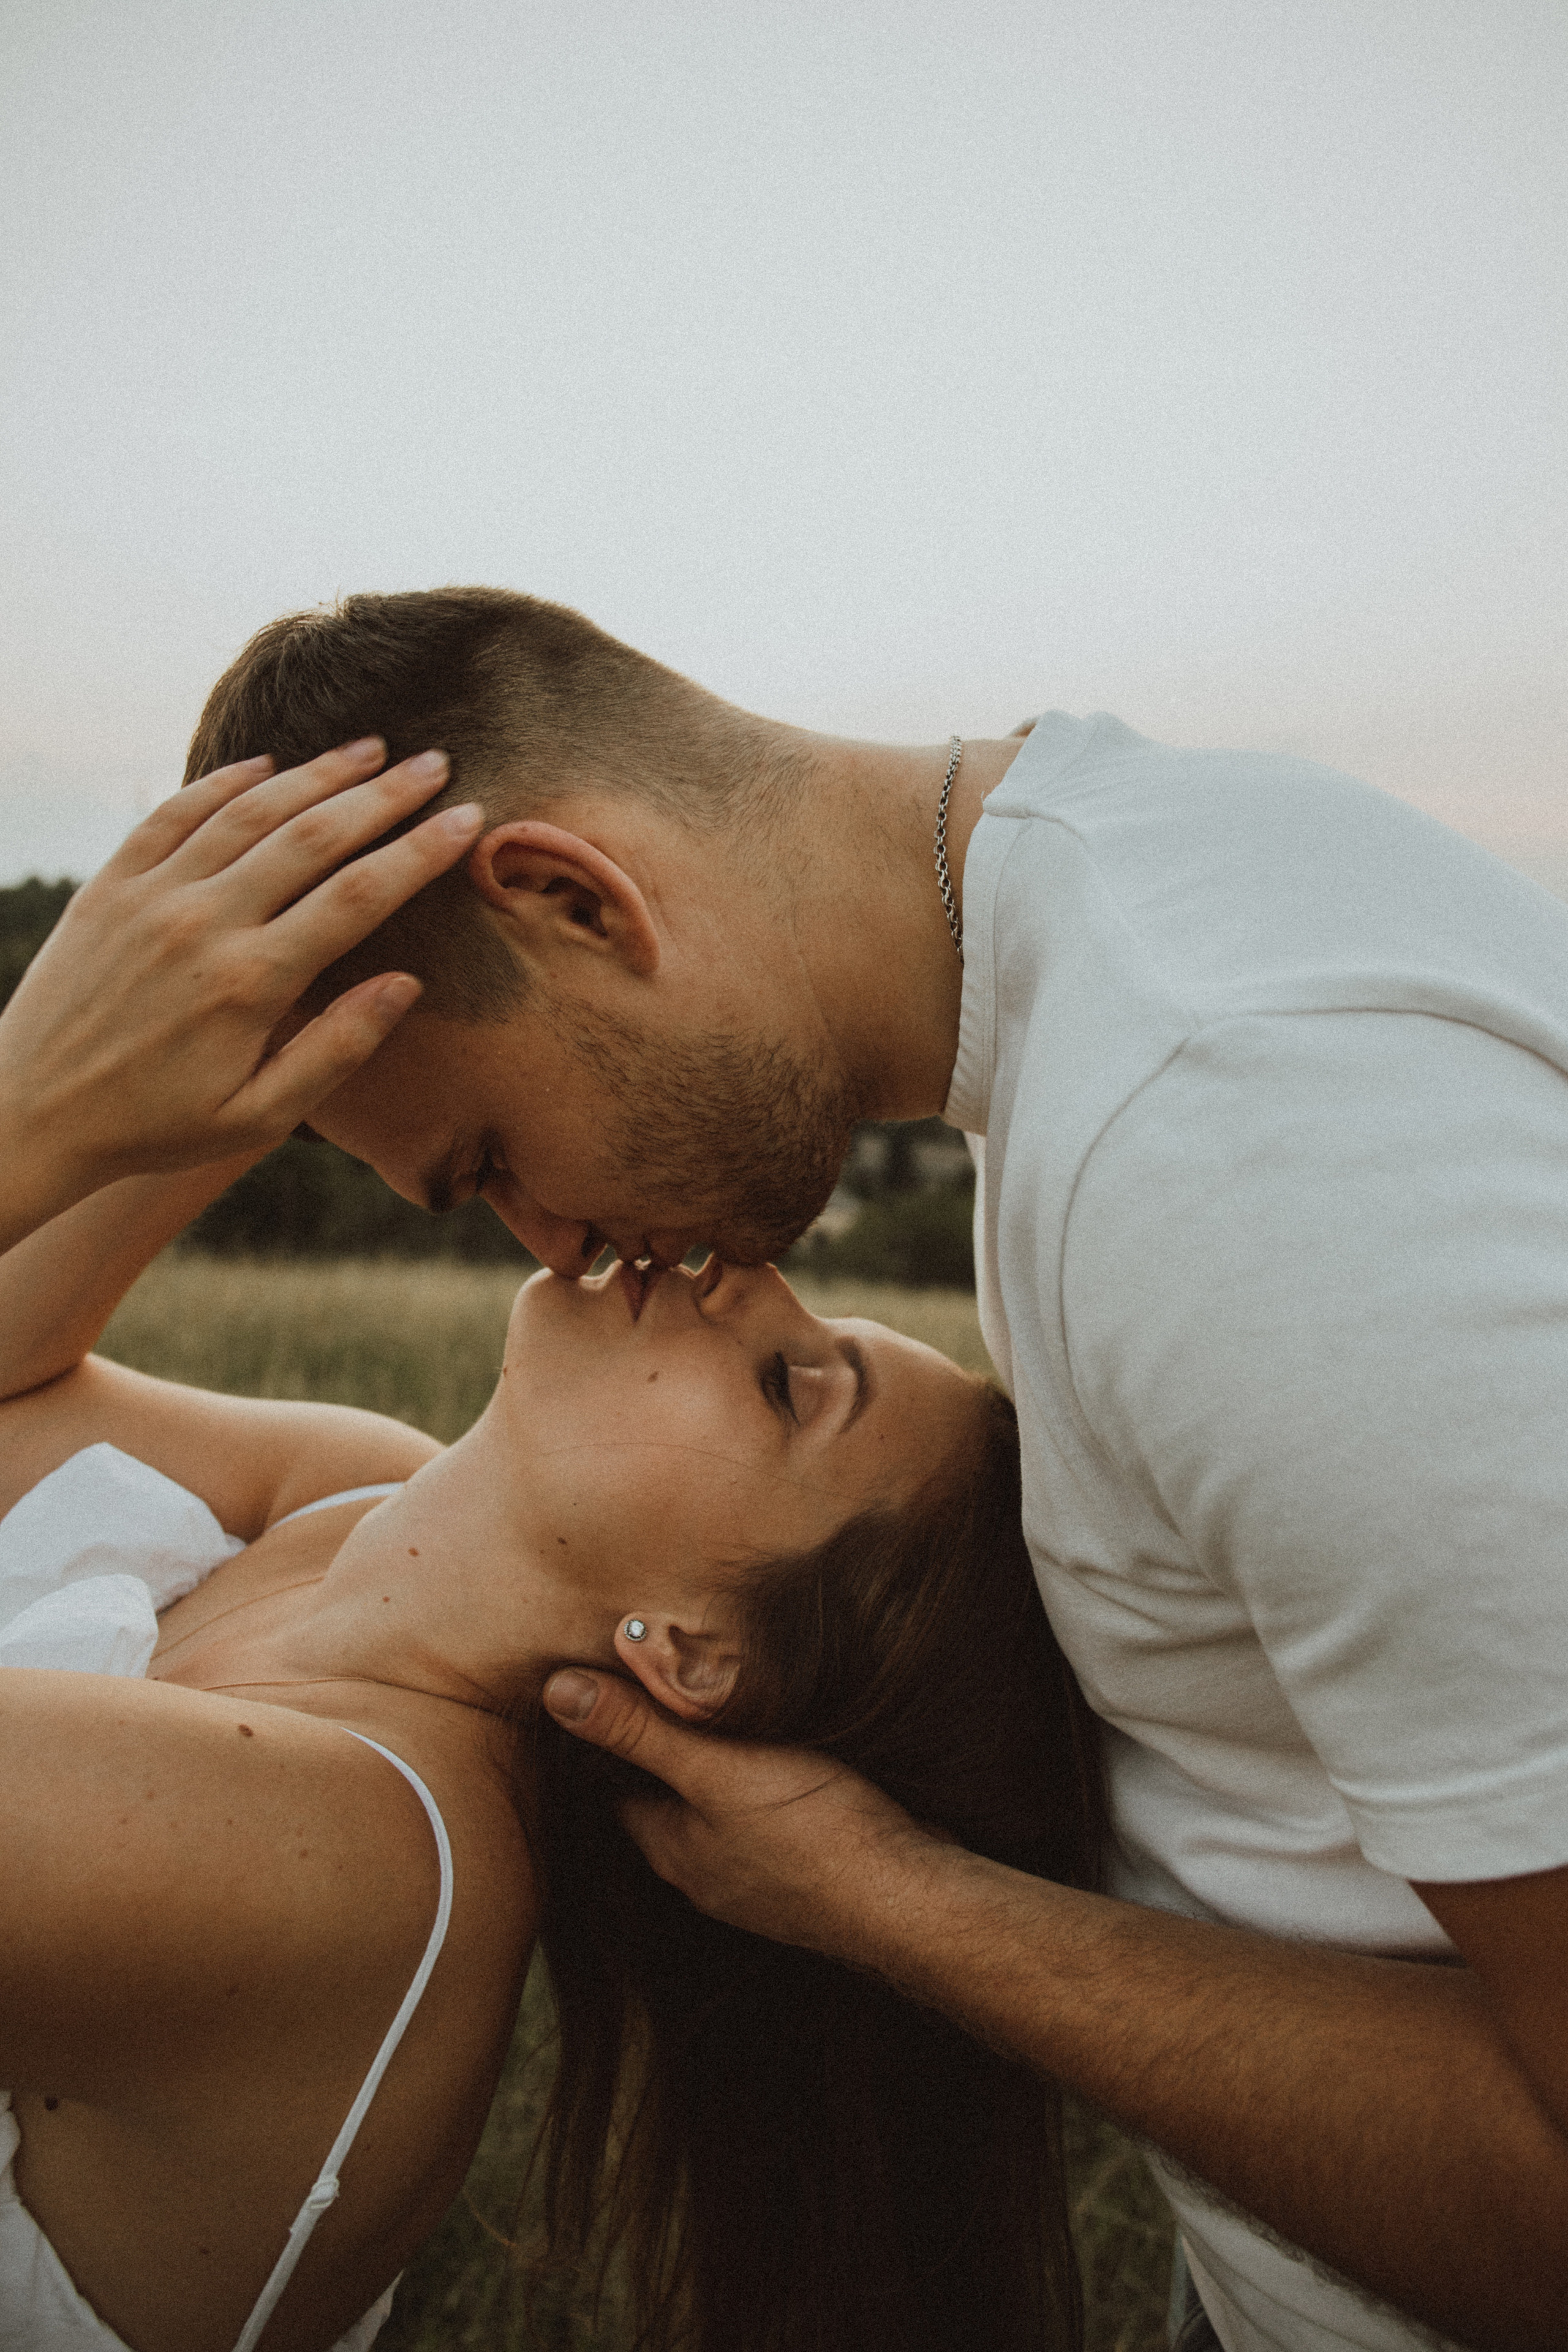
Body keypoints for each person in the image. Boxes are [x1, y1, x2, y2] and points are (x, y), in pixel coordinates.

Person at [165, 587, 1568, 2352]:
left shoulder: (1237, 1153)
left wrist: (889, 1899)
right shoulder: (1157, 925)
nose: (553, 1249)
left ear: (572, 899)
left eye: (494, 1158)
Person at [0, 753, 1104, 2351]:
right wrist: (317, 1012)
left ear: (689, 1651)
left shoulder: (351, 1863)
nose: (751, 1278)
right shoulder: (349, 1508)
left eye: (794, 1386)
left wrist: (37, 1105)